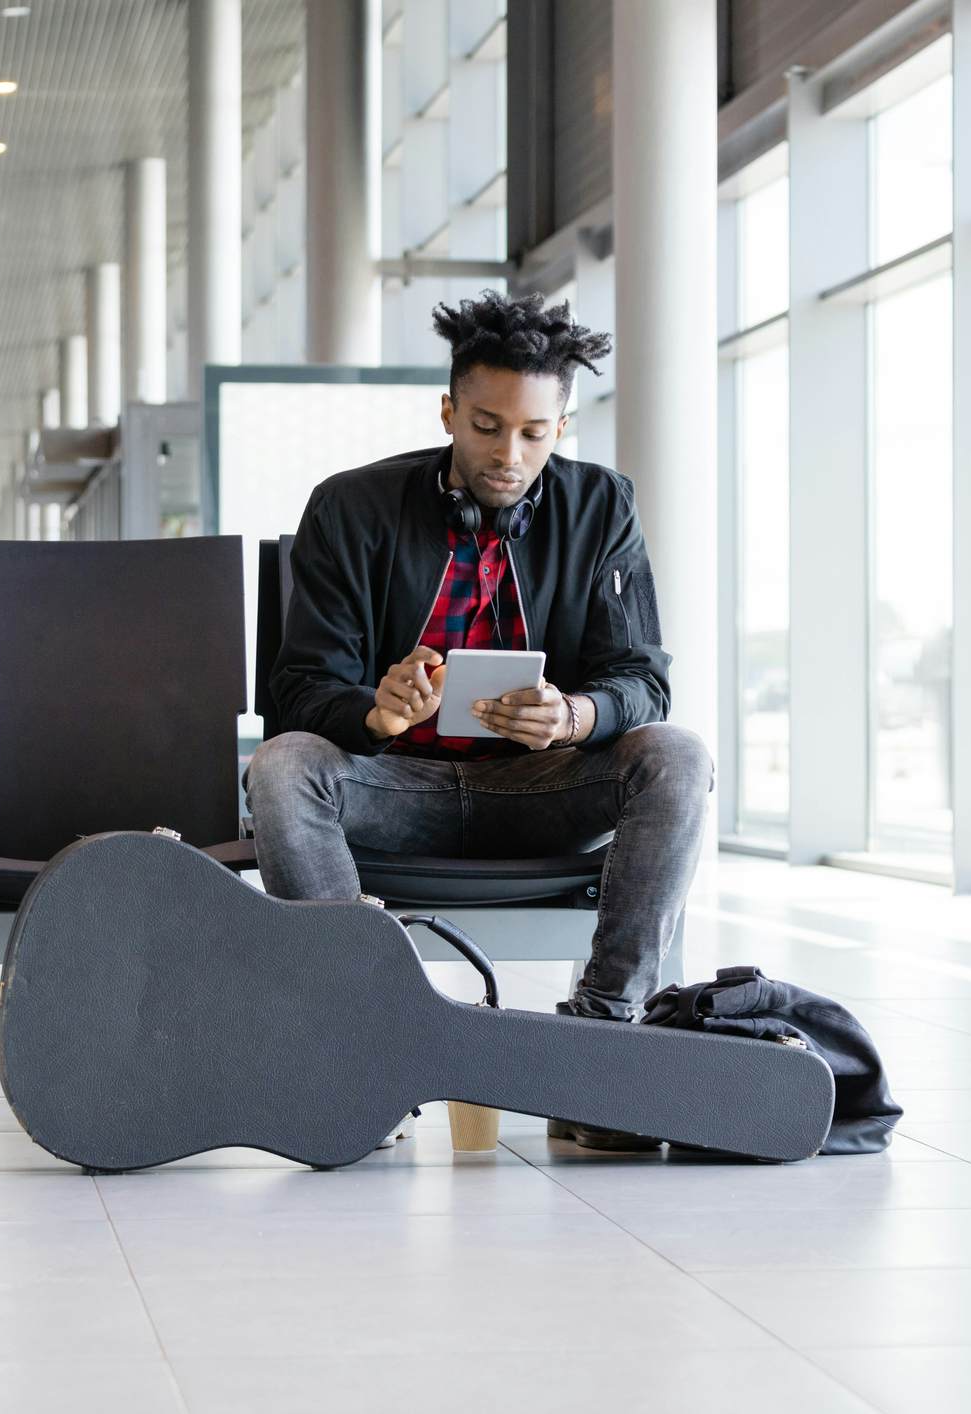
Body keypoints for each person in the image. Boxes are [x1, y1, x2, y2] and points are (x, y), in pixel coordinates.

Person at [247, 290, 713, 1151]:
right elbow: (299, 691)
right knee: (281, 766)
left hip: (541, 784)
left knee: (675, 755)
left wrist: (576, 715)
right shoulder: (350, 508)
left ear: (562, 426)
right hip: (394, 785)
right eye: (488, 426)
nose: (509, 453)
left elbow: (642, 681)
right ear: (448, 411)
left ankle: (598, 1047)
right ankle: (366, 1042)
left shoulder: (603, 506)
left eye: (535, 433)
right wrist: (375, 715)